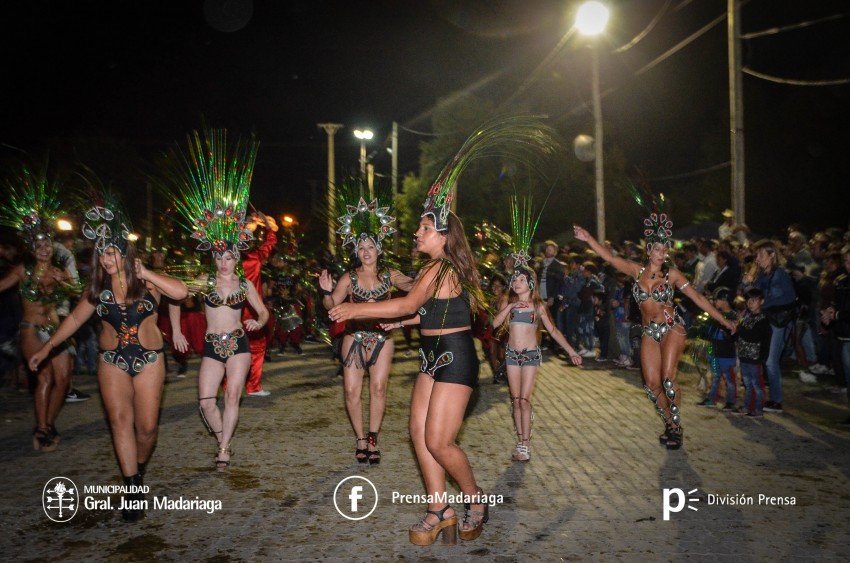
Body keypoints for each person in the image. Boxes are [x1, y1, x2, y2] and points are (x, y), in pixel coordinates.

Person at [29, 200, 188, 521]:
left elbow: (181, 293)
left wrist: (147, 271)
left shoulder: (147, 282)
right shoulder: (97, 290)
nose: (106, 258)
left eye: (112, 252)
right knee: (118, 420)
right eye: (102, 253)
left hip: (149, 359)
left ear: (125, 254)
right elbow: (73, 320)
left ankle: (138, 469)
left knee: (146, 428)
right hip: (111, 360)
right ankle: (131, 487)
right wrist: (47, 349)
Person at [574, 215, 736, 449]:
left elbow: (698, 298)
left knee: (668, 380)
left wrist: (723, 320)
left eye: (665, 250)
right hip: (650, 331)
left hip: (672, 328)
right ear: (649, 250)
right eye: (658, 249)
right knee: (651, 385)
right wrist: (588, 238)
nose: (663, 254)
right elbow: (609, 257)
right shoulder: (635, 272)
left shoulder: (673, 275)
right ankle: (670, 423)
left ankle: (676, 428)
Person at [319, 193, 412, 465]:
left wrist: (435, 270)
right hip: (354, 338)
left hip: (383, 339)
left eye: (371, 246)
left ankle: (373, 438)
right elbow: (331, 305)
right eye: (362, 248)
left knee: (380, 389)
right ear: (356, 251)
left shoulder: (390, 274)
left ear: (379, 249)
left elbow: (415, 288)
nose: (367, 251)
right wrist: (325, 292)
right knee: (351, 391)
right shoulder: (349, 278)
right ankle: (360, 438)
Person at [0, 165, 77, 451]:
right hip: (31, 329)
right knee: (43, 377)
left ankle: (49, 421)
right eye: (38, 245)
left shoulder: (59, 270)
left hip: (56, 327)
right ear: (31, 248)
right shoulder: (22, 270)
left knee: (64, 380)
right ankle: (41, 427)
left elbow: (79, 295)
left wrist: (66, 281)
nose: (43, 248)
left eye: (47, 244)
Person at [492, 265, 582, 461]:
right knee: (515, 400)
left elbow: (554, 331)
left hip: (531, 355)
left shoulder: (538, 306)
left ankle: (525, 445)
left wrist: (571, 351)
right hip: (512, 356)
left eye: (521, 280)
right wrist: (510, 307)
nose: (517, 283)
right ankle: (520, 440)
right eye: (515, 280)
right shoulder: (509, 303)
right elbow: (495, 324)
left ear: (531, 283)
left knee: (524, 400)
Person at [744, 239, 797, 413]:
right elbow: (753, 296)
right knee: (766, 360)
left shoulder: (780, 274)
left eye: (761, 254)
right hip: (766, 321)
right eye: (757, 254)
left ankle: (776, 400)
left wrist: (766, 302)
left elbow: (790, 297)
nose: (757, 258)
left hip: (777, 322)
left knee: (770, 361)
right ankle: (772, 397)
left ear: (772, 255)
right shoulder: (761, 275)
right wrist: (749, 283)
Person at [820, 245, 850, 425]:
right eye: (847, 261)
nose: (849, 265)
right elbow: (836, 304)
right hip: (845, 336)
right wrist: (829, 313)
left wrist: (836, 315)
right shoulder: (842, 281)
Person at [695, 287, 738, 410]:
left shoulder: (733, 315)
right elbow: (709, 330)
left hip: (726, 353)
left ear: (725, 300)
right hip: (714, 351)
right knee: (715, 376)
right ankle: (712, 398)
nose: (715, 302)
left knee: (729, 378)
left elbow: (732, 335)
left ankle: (731, 401)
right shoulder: (716, 314)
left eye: (717, 300)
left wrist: (724, 331)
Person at [733, 288, 771, 417]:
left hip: (755, 358)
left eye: (754, 300)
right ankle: (747, 406)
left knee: (756, 384)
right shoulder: (747, 317)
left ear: (762, 301)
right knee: (748, 384)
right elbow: (739, 335)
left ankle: (758, 408)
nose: (750, 303)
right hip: (744, 357)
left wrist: (739, 329)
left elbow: (752, 336)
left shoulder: (763, 320)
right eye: (748, 300)